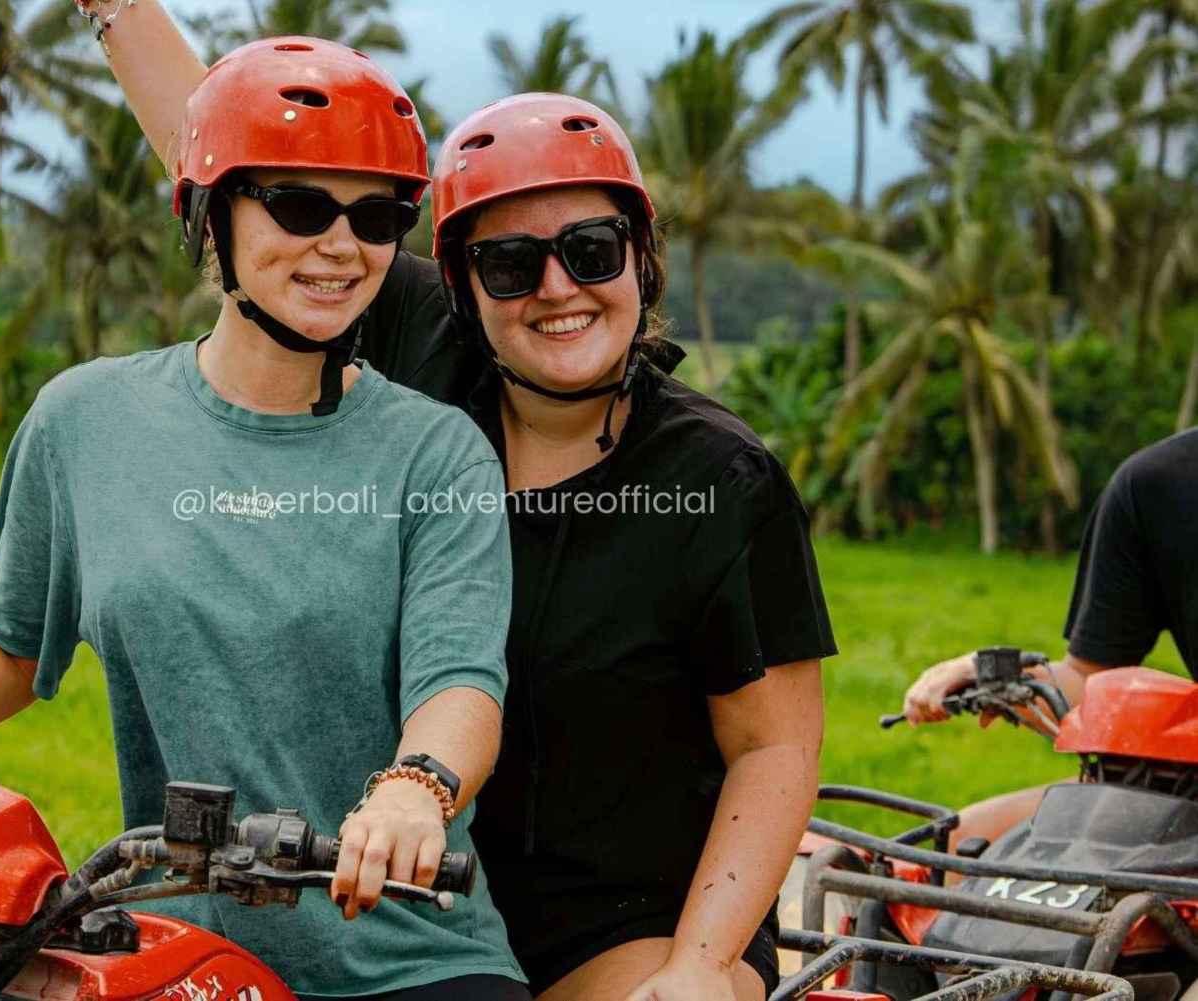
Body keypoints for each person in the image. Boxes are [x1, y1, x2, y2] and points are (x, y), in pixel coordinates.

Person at [0, 38, 532, 1001]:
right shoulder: (86, 420)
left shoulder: (436, 453)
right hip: (175, 948)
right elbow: (11, 644)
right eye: (300, 206)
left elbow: (460, 680)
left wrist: (416, 787)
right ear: (207, 214)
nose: (342, 246)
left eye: (377, 216)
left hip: (410, 958)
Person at [81, 8, 836, 1000]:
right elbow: (252, 166)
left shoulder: (719, 480)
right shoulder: (426, 356)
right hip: (388, 895)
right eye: (511, 264)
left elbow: (774, 745)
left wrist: (701, 960)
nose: (556, 289)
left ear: (642, 258)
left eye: (593, 250)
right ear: (463, 286)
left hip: (629, 920)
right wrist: (117, 10)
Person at [901, 428, 1198, 842]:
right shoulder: (1155, 485)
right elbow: (1090, 681)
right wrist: (992, 676)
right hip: (1187, 789)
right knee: (958, 843)